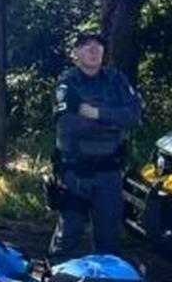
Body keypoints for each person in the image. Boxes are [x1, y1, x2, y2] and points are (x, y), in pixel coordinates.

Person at [48, 30, 143, 258]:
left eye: (98, 46)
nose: (93, 50)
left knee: (108, 238)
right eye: (86, 46)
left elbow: (134, 116)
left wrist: (95, 113)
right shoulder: (67, 84)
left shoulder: (116, 80)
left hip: (110, 172)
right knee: (69, 234)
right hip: (75, 173)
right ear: (75, 54)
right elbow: (68, 125)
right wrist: (112, 121)